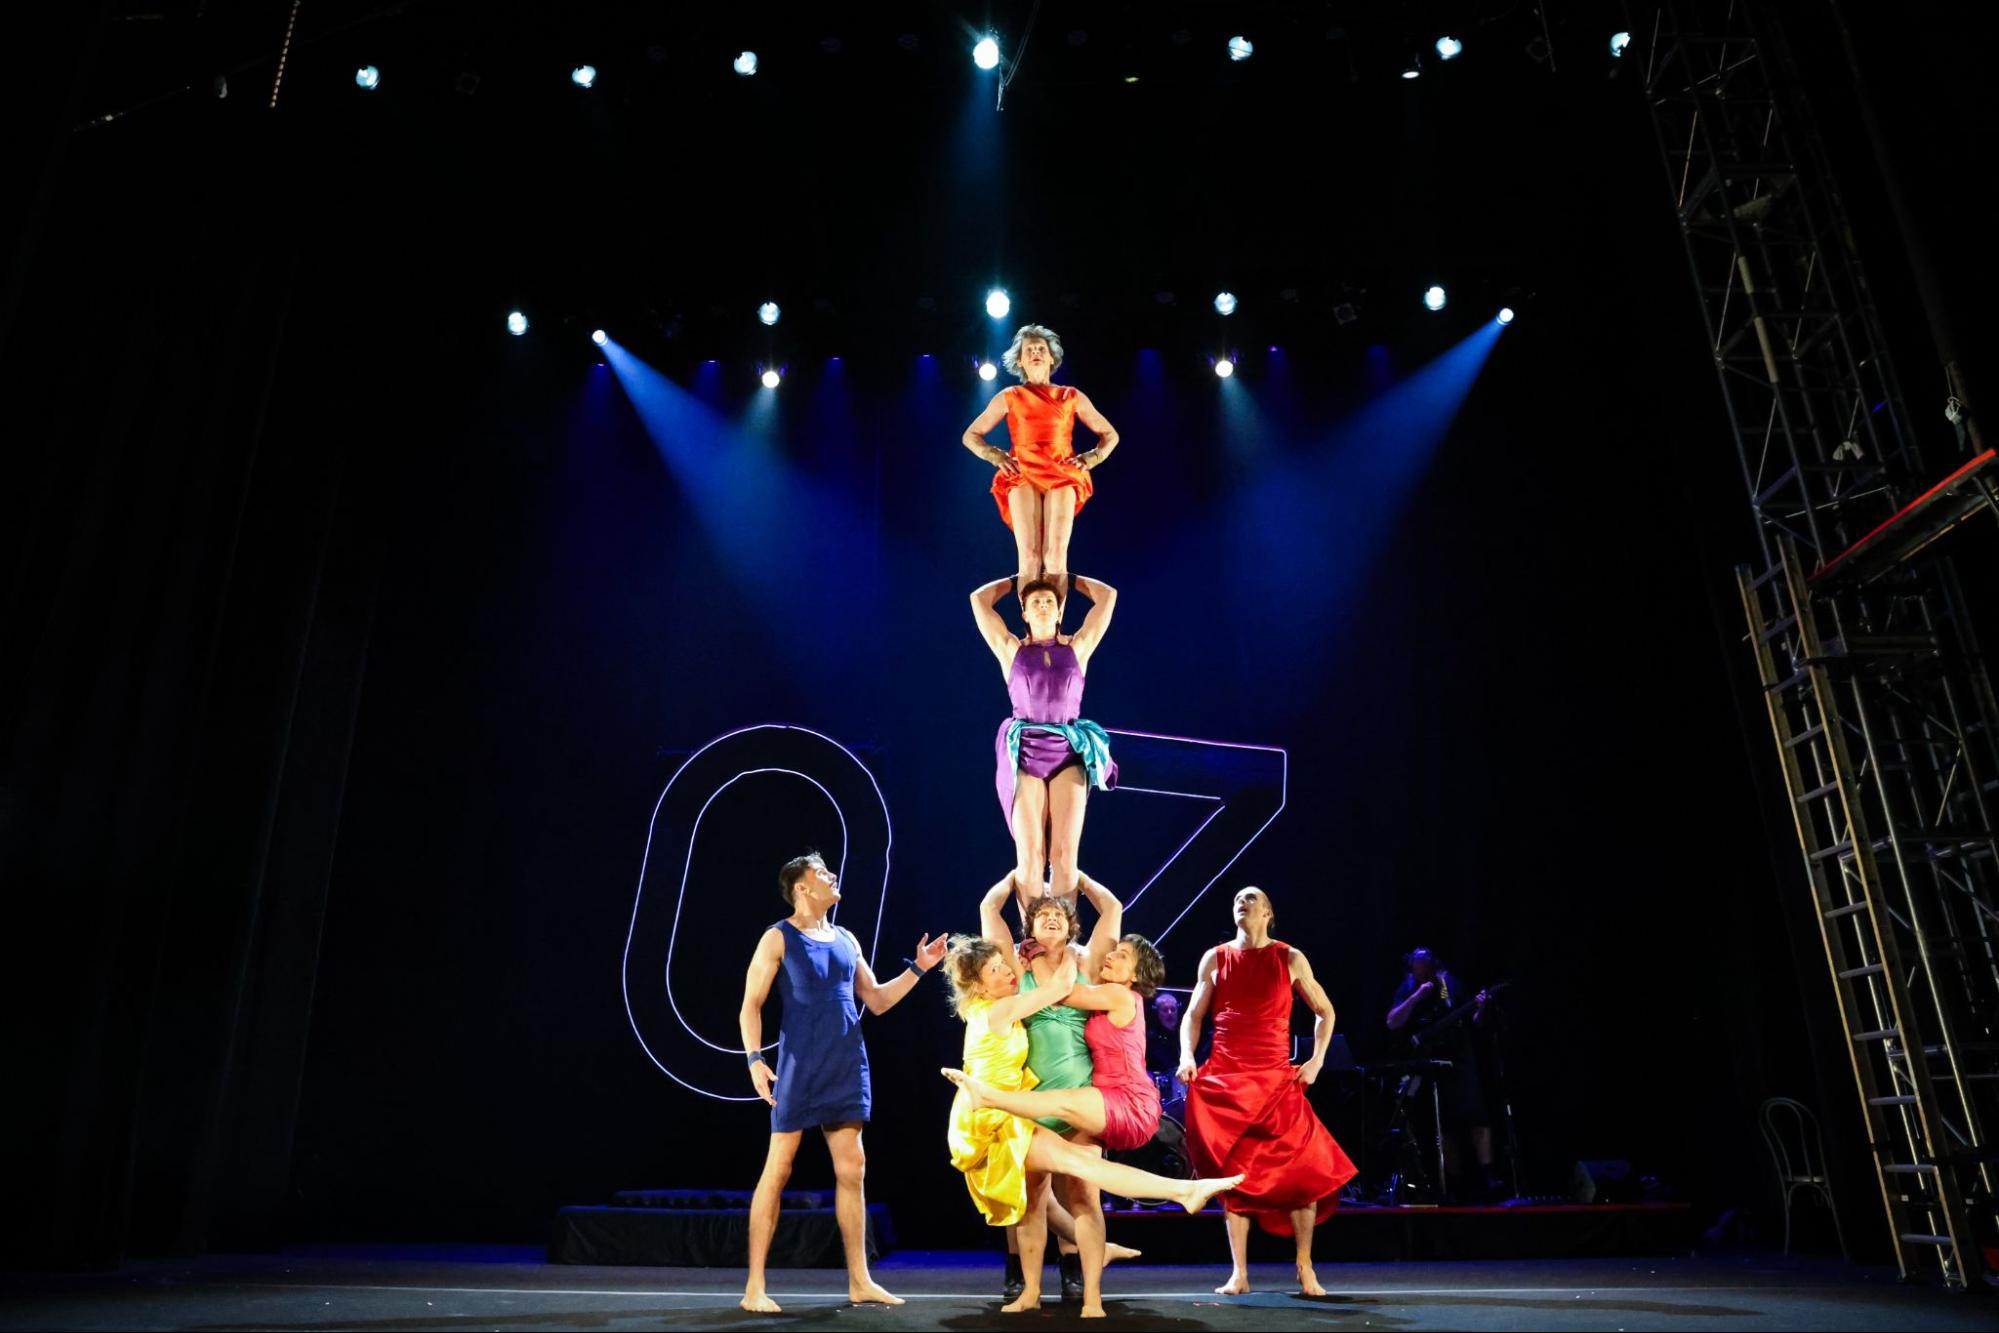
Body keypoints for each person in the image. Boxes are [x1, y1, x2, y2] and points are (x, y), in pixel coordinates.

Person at [941, 934, 1243, 1314]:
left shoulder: (1001, 1006)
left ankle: (1178, 1195)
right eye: (996, 970)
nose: (1006, 972)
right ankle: (1180, 1193)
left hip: (1005, 1115)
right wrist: (1062, 953)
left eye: (1004, 965)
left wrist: (1053, 953)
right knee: (1055, 1185)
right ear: (980, 985)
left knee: (1060, 1183)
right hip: (990, 1119)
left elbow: (1064, 990)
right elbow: (1061, 988)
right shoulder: (1001, 1009)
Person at [736, 853, 947, 1314]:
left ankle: (860, 1281)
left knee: (853, 1170)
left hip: (847, 1065)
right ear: (802, 888)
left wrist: (919, 968)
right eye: (822, 873)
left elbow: (876, 1000)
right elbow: (751, 1005)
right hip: (800, 1066)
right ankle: (755, 1287)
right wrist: (755, 1060)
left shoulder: (846, 938)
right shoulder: (778, 937)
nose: (832, 877)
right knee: (780, 1168)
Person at [971, 874, 1162, 1315]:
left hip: (1081, 1098)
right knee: (1033, 1200)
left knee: (1081, 1195)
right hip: (1033, 1098)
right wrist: (1014, 879)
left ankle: (1087, 1289)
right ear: (1030, 927)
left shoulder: (1088, 966)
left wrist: (1078, 880)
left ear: (1071, 925)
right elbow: (988, 910)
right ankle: (1030, 1289)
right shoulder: (1017, 967)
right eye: (1042, 915)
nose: (1052, 918)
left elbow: (1112, 909)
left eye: (1059, 914)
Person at [1178, 886, 1357, 1297]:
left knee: (1303, 1172)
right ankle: (1239, 1272)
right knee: (1233, 1179)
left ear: (1269, 912)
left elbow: (1325, 1012)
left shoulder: (1289, 957)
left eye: (1252, 898)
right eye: (1238, 899)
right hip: (1227, 1081)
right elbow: (1193, 1014)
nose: (1243, 902)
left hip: (1276, 1079)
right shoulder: (1216, 957)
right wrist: (1188, 1055)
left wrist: (1316, 1062)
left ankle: (1305, 1266)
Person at [970, 573, 1117, 910]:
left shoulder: (1078, 648)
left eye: (1049, 601)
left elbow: (1107, 596)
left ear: (1059, 612)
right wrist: (1017, 579)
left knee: (1064, 852)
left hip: (1067, 753)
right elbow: (979, 600)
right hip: (1026, 753)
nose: (1042, 605)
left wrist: (1068, 578)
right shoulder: (1011, 651)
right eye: (1035, 601)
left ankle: (1063, 936)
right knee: (1031, 851)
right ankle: (1031, 935)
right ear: (1023, 613)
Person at [960, 323, 1120, 588]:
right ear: (1020, 360)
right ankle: (1030, 625)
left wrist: (1092, 458)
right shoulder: (1009, 396)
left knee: (1055, 557)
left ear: (1051, 357)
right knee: (1030, 558)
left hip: (1062, 472)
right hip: (1021, 472)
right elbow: (971, 436)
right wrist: (994, 455)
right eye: (1029, 349)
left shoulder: (1070, 396)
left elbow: (1110, 435)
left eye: (1041, 349)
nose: (1035, 352)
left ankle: (1054, 627)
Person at [1384, 946, 1497, 1197]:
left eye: (1426, 964)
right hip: (1429, 1062)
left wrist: (1481, 1007)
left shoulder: (1451, 984)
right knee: (1445, 1125)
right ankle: (1451, 1182)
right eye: (1417, 964)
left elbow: (1474, 1023)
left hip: (1461, 1059)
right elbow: (1392, 1022)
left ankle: (1488, 1174)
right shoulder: (1409, 986)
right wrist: (1416, 996)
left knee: (1477, 1116)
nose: (1421, 969)